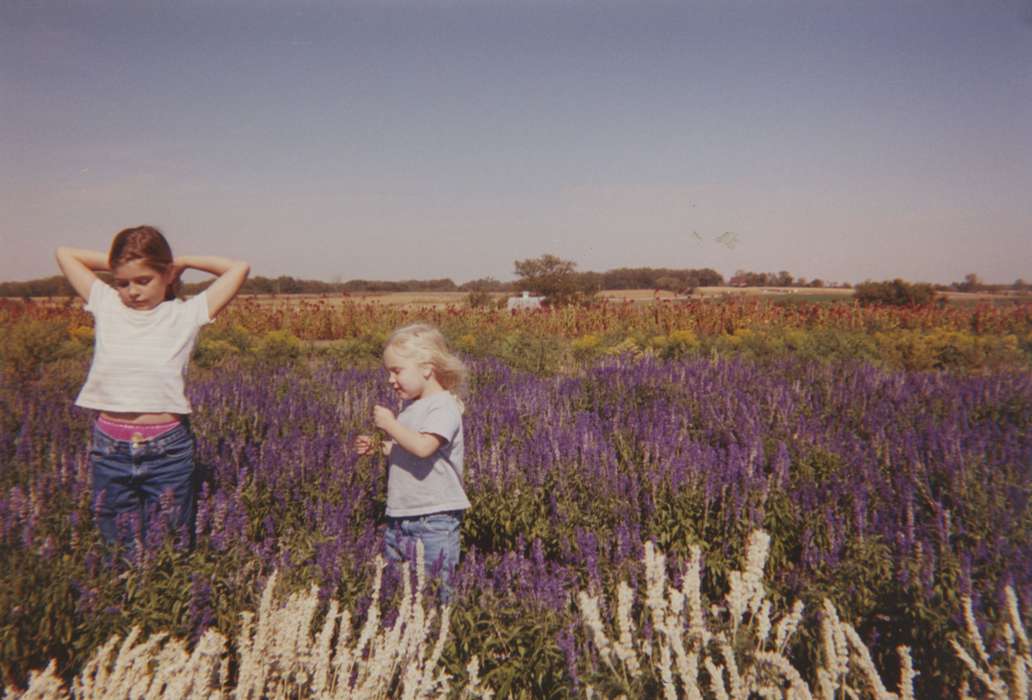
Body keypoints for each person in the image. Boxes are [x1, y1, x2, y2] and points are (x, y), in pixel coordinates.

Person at [56, 226, 249, 549]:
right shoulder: (107, 304)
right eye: (123, 282)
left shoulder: (186, 314)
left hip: (167, 447)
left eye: (144, 280)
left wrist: (180, 261)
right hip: (109, 448)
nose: (132, 290)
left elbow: (238, 269)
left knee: (172, 543)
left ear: (167, 276)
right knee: (116, 545)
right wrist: (124, 263)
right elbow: (65, 253)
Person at [354, 323, 470, 599]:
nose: (391, 380)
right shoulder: (411, 406)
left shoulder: (444, 406)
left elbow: (422, 447)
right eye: (388, 372)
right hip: (400, 516)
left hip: (434, 518)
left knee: (434, 592)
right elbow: (406, 446)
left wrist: (390, 425)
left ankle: (437, 638)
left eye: (397, 371)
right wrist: (380, 447)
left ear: (427, 368)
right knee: (401, 593)